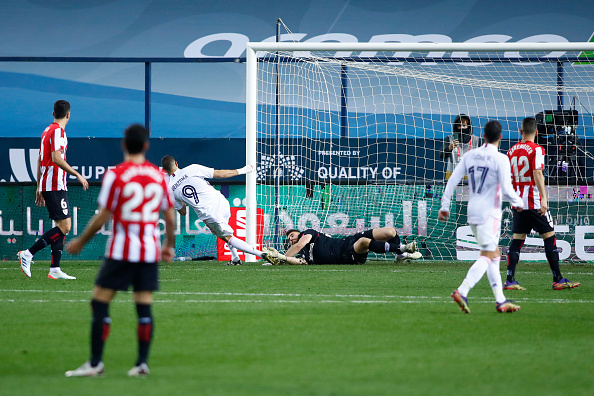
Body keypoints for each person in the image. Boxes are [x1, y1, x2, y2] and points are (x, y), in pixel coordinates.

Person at [64, 124, 176, 377]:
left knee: (99, 302)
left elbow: (103, 216)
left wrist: (81, 242)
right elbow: (169, 217)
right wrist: (168, 246)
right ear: (146, 146)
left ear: (124, 145)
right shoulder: (159, 176)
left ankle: (95, 364)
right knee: (144, 307)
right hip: (148, 252)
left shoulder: (116, 174)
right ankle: (141, 364)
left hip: (121, 252)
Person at [439, 120, 524, 314]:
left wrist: (445, 206)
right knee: (488, 255)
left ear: (483, 136)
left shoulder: (470, 155)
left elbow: (452, 180)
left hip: (473, 210)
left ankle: (500, 300)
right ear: (500, 137)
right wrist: (519, 203)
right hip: (489, 213)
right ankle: (463, 290)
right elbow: (507, 188)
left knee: (494, 255)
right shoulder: (501, 159)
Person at [505, 117, 580, 291]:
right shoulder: (536, 149)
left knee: (517, 239)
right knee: (549, 236)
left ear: (521, 132)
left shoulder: (511, 150)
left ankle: (510, 279)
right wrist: (544, 198)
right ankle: (558, 279)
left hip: (518, 201)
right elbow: (538, 173)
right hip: (533, 200)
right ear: (537, 132)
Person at [17, 100, 89, 280]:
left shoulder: (47, 131)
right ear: (69, 115)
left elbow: (40, 159)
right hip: (55, 184)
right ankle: (28, 253)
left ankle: (55, 269)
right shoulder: (57, 131)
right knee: (66, 227)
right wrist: (77, 174)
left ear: (53, 113)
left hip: (51, 184)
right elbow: (56, 158)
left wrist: (39, 186)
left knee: (61, 226)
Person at [160, 155, 276, 265]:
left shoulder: (170, 190)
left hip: (209, 213)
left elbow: (183, 212)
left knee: (227, 237)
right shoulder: (192, 168)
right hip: (221, 201)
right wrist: (242, 170)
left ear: (165, 171)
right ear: (176, 163)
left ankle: (260, 253)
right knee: (223, 233)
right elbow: (220, 174)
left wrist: (183, 201)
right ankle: (235, 258)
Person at [277, 227, 421, 265]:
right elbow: (298, 261)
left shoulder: (307, 234)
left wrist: (284, 256)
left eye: (292, 236)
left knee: (390, 232)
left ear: (298, 232)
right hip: (347, 254)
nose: (291, 240)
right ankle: (402, 249)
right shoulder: (304, 254)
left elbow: (300, 244)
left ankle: (401, 255)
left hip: (349, 240)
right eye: (289, 240)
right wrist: (279, 258)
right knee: (364, 241)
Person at [439, 114, 480, 179]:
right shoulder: (449, 139)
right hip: (453, 176)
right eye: (459, 125)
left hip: (471, 177)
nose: (461, 128)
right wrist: (449, 148)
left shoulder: (477, 140)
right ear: (455, 127)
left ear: (468, 126)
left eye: (464, 125)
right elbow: (441, 155)